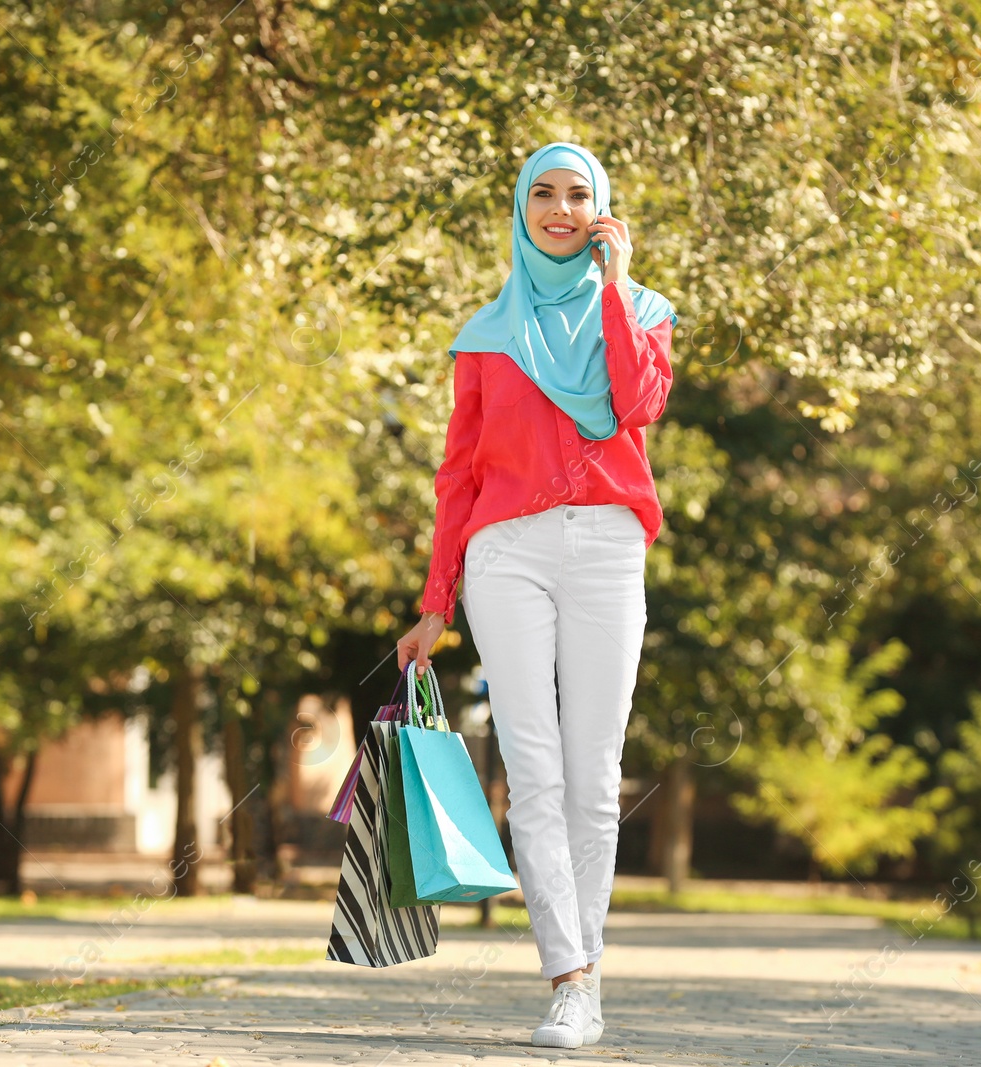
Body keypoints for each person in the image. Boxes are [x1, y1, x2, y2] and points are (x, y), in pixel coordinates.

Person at [395, 141, 678, 1049]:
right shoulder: (483, 334)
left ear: (602, 210)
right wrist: (437, 601)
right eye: (543, 196)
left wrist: (615, 284)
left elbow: (638, 405)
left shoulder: (638, 313)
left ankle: (585, 975)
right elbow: (458, 472)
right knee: (535, 770)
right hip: (504, 554)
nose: (560, 210)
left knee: (596, 779)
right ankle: (571, 977)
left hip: (607, 545)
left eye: (577, 196)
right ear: (520, 210)